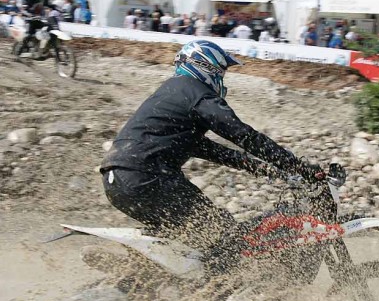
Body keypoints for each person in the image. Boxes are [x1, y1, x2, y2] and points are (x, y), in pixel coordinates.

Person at [100, 40, 323, 275]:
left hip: (118, 181)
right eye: (222, 72)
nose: (222, 80)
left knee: (194, 239)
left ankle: (155, 278)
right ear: (207, 66)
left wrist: (263, 169)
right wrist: (300, 168)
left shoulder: (173, 92)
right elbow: (245, 135)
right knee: (222, 232)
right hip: (148, 178)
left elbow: (207, 149)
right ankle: (220, 294)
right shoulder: (198, 94)